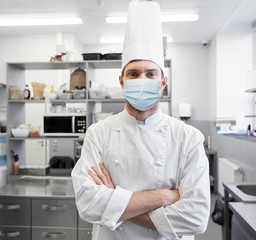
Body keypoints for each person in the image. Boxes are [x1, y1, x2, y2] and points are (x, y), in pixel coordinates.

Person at [71, 1, 210, 239]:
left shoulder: (187, 137)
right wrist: (162, 197)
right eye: (133, 74)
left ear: (162, 82)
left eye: (151, 74)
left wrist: (114, 202)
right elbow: (86, 204)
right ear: (122, 82)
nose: (142, 80)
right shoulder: (99, 133)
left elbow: (196, 218)